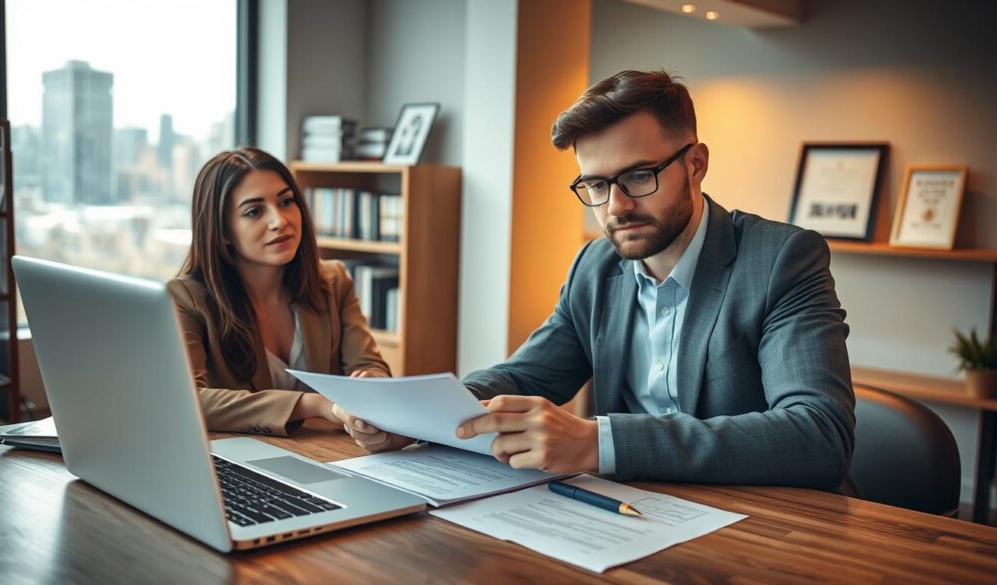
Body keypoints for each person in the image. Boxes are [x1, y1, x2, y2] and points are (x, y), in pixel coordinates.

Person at [335, 70, 855, 491]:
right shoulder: (596, 266)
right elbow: (526, 378)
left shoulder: (781, 258)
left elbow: (817, 434)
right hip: (634, 517)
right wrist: (416, 419)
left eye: (638, 176)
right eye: (596, 184)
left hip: (771, 528)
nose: (616, 207)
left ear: (695, 165)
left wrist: (598, 443)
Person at [170, 147, 390, 436]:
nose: (280, 221)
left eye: (286, 201)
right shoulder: (185, 299)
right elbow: (186, 400)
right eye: (254, 211)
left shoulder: (333, 281)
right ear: (222, 231)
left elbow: (368, 364)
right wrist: (316, 405)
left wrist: (371, 381)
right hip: (238, 461)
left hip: (329, 453)